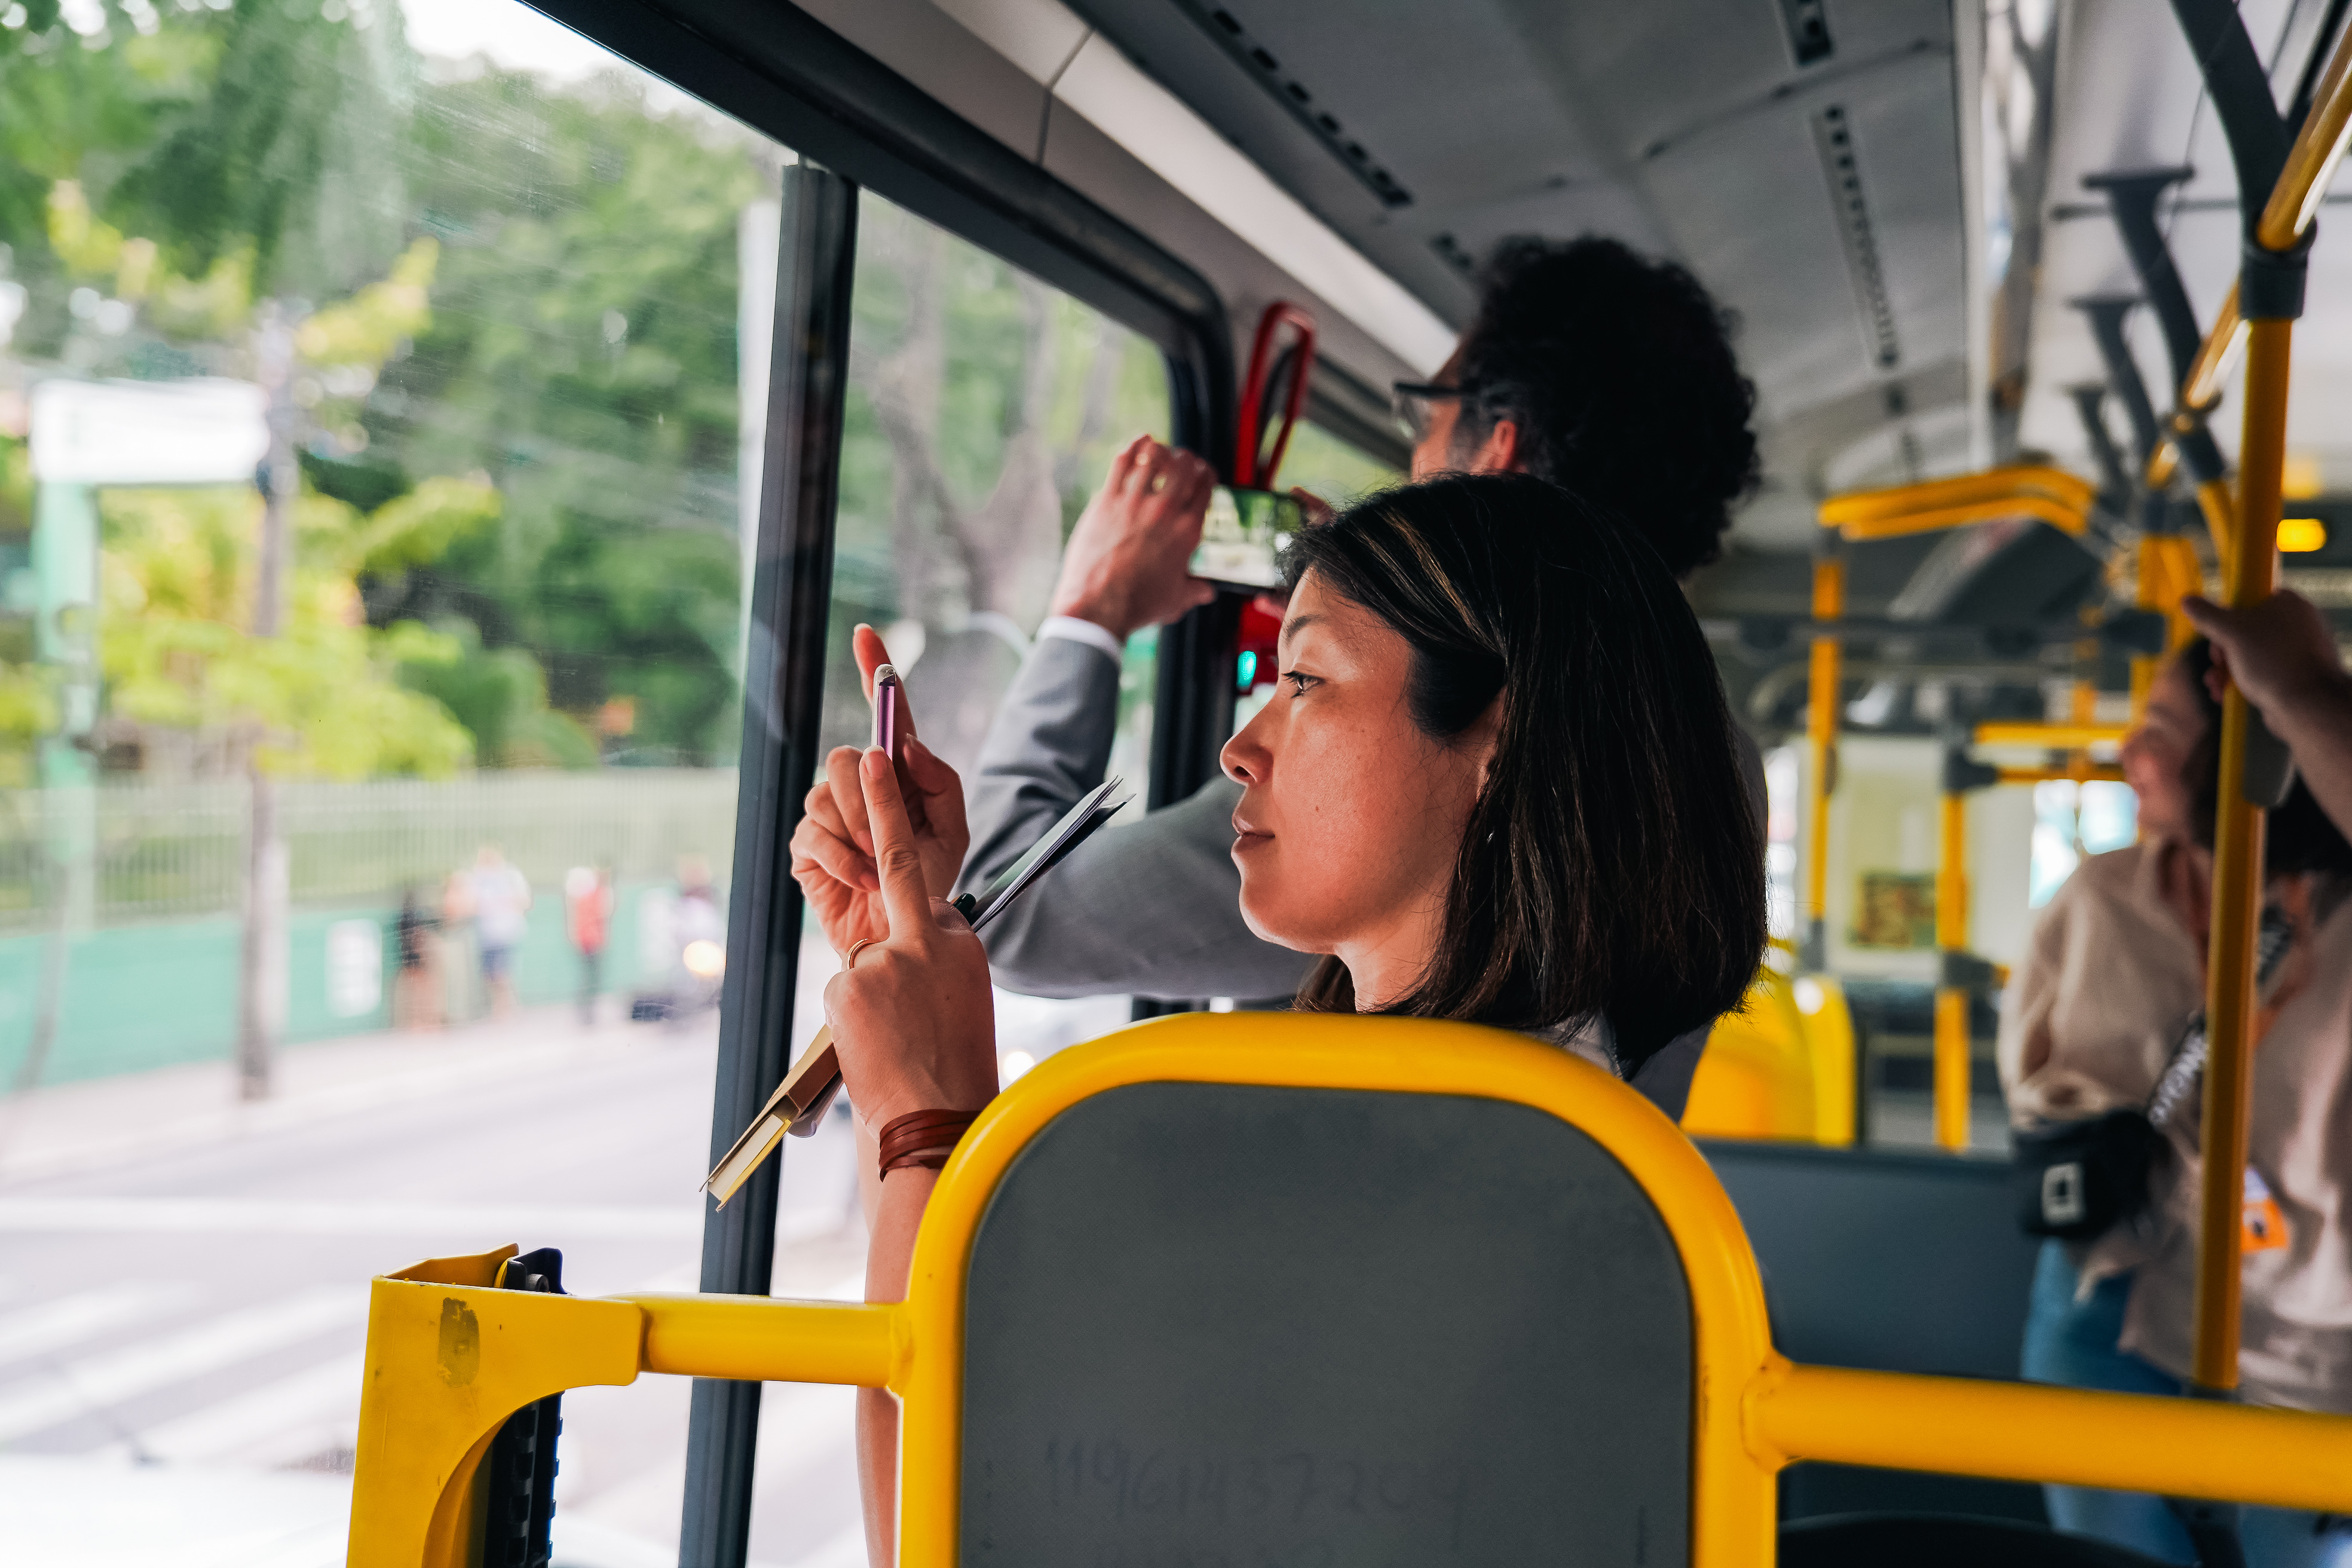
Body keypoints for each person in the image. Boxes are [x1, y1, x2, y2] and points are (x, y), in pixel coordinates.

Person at [798, 474, 1768, 1562]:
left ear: (1497, 742)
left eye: (1304, 679)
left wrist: (922, 1124)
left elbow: (940, 1523)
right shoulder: (1545, 1120)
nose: (1241, 747)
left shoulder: (1405, 1183)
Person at [790, 235, 1766, 1016]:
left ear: (1496, 448)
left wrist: (1089, 614)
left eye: (1306, 684)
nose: (1243, 750)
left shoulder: (1396, 781)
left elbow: (1012, 909)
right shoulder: (1708, 752)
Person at [2000, 589, 2352, 1567]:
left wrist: (2296, 687)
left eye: (2158, 728)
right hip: (2109, 1294)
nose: (2130, 754)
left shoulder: (2342, 907)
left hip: (2305, 1332)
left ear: (2250, 753)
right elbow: (2031, 1081)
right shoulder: (2102, 895)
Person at [466, 844, 532, 1019]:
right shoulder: (478, 878)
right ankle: (504, 1005)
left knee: (502, 971)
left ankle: (505, 1008)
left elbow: (525, 901)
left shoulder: (510, 875)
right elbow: (472, 903)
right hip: (487, 934)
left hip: (507, 932)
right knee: (489, 974)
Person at [564, 865, 613, 1027]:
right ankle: (586, 1009)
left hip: (589, 940)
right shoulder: (594, 894)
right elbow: (602, 918)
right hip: (590, 940)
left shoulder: (589, 894)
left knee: (590, 977)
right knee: (590, 977)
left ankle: (587, 1010)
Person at [392, 886, 442, 1031]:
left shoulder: (404, 919)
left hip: (409, 958)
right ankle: (425, 1020)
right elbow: (417, 938)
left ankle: (421, 1020)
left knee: (418, 991)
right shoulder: (415, 918)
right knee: (422, 990)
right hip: (415, 958)